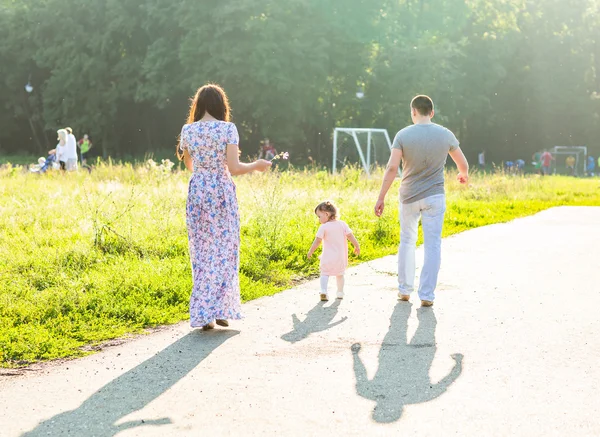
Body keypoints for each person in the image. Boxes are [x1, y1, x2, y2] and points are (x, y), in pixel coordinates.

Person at [177, 84, 272, 331]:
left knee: (201, 251)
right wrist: (257, 165)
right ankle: (221, 309)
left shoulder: (188, 130)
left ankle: (204, 313)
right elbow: (235, 167)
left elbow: (189, 165)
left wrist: (204, 171)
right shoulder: (227, 129)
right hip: (221, 192)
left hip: (198, 191)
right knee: (225, 250)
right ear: (221, 105)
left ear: (198, 105)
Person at [374, 95, 469, 307]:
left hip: (408, 196)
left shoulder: (403, 135)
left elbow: (391, 168)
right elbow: (462, 163)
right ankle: (427, 295)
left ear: (413, 112)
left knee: (407, 240)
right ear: (432, 112)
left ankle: (404, 290)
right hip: (435, 196)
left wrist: (381, 197)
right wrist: (463, 174)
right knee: (432, 244)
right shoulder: (445, 134)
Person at [307, 201, 360, 302]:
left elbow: (317, 241)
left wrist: (311, 251)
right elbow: (350, 236)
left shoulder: (323, 227)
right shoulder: (342, 224)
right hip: (340, 257)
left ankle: (323, 291)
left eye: (319, 216)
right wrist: (357, 245)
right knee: (340, 274)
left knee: (324, 273)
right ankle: (340, 292)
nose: (318, 220)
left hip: (327, 257)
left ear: (326, 214)